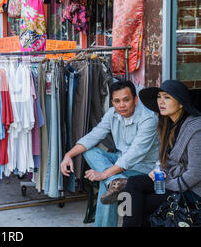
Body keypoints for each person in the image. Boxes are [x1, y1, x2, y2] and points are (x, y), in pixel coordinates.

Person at [60, 80, 160, 227]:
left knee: (105, 185)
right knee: (91, 150)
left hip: (143, 167)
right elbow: (94, 136)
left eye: (126, 100)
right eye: (117, 101)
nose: (122, 105)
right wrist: (68, 155)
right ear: (112, 102)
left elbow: (134, 155)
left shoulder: (148, 119)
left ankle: (114, 182)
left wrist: (104, 174)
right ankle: (117, 181)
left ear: (136, 99)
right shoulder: (112, 113)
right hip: (120, 161)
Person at [122, 79, 201, 227]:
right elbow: (166, 161)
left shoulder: (196, 129)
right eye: (159, 97)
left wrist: (167, 183)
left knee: (138, 204)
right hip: (171, 179)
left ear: (181, 103)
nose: (161, 102)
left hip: (191, 191)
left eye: (167, 97)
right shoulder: (166, 125)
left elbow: (196, 173)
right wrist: (157, 171)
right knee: (132, 184)